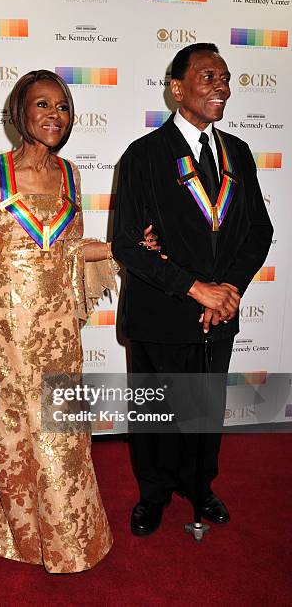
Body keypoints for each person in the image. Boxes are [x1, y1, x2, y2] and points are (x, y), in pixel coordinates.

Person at [0, 69, 119, 573]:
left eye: (61, 106)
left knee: (64, 425)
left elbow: (72, 250)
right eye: (43, 105)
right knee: (20, 427)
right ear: (21, 112)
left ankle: (70, 538)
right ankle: (26, 535)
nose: (54, 115)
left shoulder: (72, 174)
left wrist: (122, 250)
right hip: (7, 319)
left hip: (59, 320)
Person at [112, 43, 273, 536]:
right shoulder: (143, 155)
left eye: (225, 77)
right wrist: (195, 289)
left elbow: (258, 232)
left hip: (219, 313)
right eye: (208, 77)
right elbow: (128, 246)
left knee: (205, 410)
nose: (221, 86)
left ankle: (200, 486)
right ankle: (154, 494)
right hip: (160, 312)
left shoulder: (239, 154)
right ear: (177, 88)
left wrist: (228, 290)